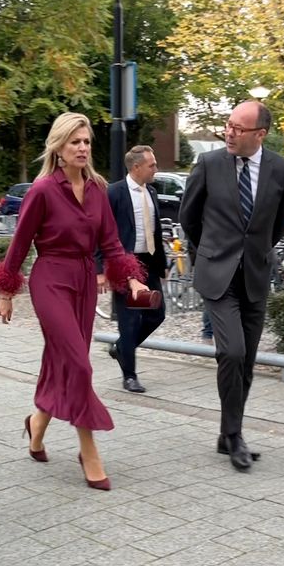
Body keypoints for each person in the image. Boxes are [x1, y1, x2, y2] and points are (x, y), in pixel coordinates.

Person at [0, 112, 150, 491]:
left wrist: (131, 279)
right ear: (59, 148)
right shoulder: (43, 190)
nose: (82, 147)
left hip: (83, 282)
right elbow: (20, 243)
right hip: (50, 281)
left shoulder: (97, 188)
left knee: (62, 360)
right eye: (74, 142)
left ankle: (37, 426)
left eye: (86, 142)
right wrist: (6, 291)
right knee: (79, 365)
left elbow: (111, 243)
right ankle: (88, 449)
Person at [179, 101, 284, 472]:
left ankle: (226, 432)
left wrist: (255, 252)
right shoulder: (209, 164)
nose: (229, 133)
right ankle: (235, 436)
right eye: (228, 126)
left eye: (238, 128)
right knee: (230, 352)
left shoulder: (282, 170)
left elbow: (278, 225)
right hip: (218, 277)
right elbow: (189, 217)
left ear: (259, 135)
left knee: (246, 360)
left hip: (255, 276)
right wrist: (210, 255)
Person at [100, 145, 166, 393]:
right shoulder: (114, 193)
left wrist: (162, 263)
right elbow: (102, 233)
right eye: (152, 165)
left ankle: (121, 348)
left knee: (156, 314)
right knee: (129, 321)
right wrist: (101, 269)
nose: (156, 169)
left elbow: (156, 232)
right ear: (136, 167)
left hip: (148, 264)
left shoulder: (152, 192)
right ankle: (129, 375)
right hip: (124, 265)